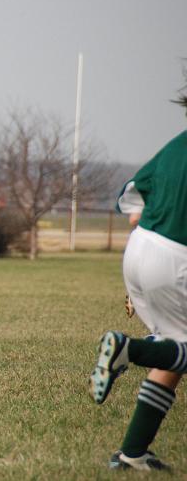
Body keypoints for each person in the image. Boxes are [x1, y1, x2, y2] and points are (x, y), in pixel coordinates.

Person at [89, 87, 187, 471]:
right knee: (172, 348)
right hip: (178, 256)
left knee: (177, 349)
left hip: (140, 248)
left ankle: (132, 453)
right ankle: (132, 350)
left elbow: (131, 206)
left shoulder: (176, 146)